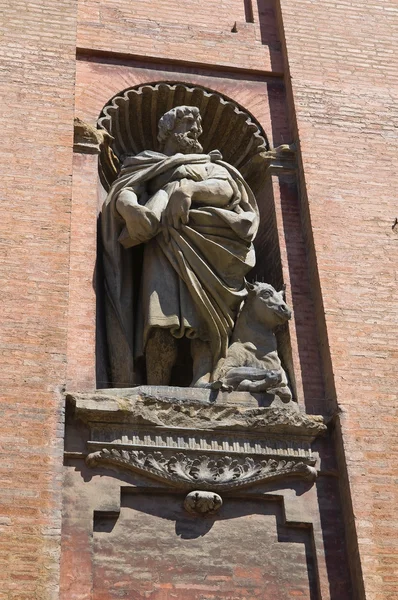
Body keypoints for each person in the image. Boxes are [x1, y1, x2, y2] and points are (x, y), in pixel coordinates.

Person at [101, 105, 259, 387]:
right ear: (167, 130)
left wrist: (189, 189)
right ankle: (156, 384)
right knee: (160, 319)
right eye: (188, 124)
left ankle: (205, 378)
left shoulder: (212, 165)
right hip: (163, 247)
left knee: (206, 320)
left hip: (210, 249)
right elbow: (126, 190)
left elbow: (227, 190)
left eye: (197, 125)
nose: (196, 130)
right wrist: (130, 208)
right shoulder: (146, 163)